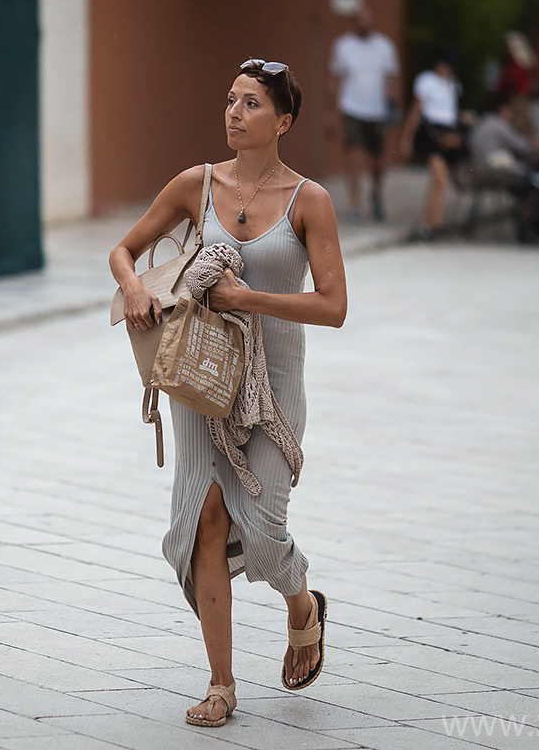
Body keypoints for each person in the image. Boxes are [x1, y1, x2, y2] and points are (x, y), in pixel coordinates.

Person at [109, 59, 347, 728]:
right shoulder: (197, 184)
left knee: (265, 533)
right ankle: (221, 684)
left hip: (275, 384)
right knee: (206, 521)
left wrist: (247, 298)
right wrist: (134, 289)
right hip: (201, 377)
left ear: (284, 121)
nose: (235, 113)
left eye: (252, 104)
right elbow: (123, 250)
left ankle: (301, 603)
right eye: (231, 100)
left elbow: (333, 306)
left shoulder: (309, 200)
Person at [329, 5, 400, 224]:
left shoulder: (385, 47)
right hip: (351, 108)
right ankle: (355, 204)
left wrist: (392, 105)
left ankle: (376, 195)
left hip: (377, 110)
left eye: (367, 19)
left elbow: (392, 78)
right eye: (360, 19)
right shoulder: (343, 46)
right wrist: (330, 112)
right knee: (353, 156)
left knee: (377, 159)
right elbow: (335, 79)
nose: (364, 23)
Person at [400, 50, 464, 240]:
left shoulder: (453, 85)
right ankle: (429, 224)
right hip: (431, 131)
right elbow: (417, 110)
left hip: (447, 130)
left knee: (440, 181)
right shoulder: (426, 81)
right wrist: (407, 138)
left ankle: (434, 222)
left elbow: (450, 112)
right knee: (439, 176)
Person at [469, 92, 539, 189]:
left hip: (477, 167)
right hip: (493, 169)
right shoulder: (498, 124)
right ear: (502, 108)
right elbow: (522, 145)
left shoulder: (482, 121)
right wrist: (538, 144)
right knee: (530, 174)